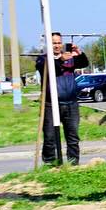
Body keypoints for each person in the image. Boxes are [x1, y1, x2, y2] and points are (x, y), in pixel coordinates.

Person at [35, 33, 88, 166]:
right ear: (48, 44)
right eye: (54, 43)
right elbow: (47, 68)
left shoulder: (70, 58)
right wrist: (60, 60)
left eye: (59, 43)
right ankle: (50, 164)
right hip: (51, 105)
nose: (57, 45)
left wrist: (79, 53)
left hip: (71, 103)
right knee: (50, 137)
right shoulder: (43, 59)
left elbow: (84, 63)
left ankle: (73, 163)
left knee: (73, 137)